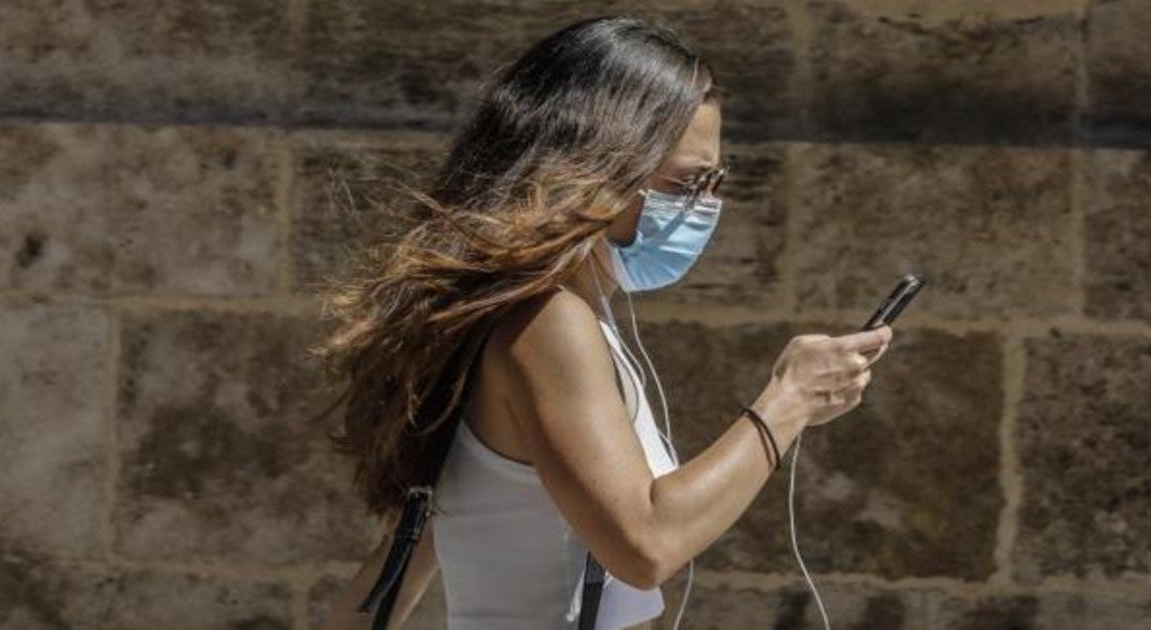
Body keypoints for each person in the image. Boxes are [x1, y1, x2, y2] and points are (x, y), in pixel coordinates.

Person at [316, 14, 893, 630]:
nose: (706, 204)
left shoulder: (529, 317)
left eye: (716, 181)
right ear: (603, 166)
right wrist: (789, 401)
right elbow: (645, 544)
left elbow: (422, 542)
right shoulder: (546, 324)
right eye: (690, 181)